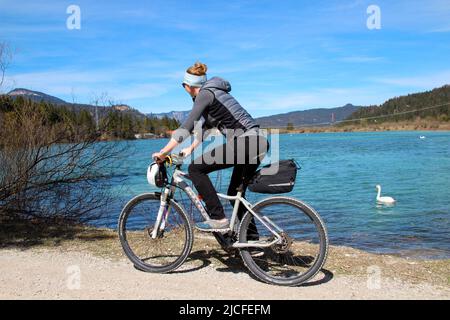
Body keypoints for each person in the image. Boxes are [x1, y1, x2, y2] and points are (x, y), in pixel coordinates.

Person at [152, 62, 269, 235]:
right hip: (259, 142)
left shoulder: (205, 94)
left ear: (188, 86)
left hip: (246, 142)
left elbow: (186, 126)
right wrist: (189, 150)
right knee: (235, 193)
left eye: (183, 86)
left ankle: (218, 218)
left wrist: (163, 152)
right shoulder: (216, 93)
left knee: (195, 169)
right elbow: (202, 130)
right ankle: (251, 241)